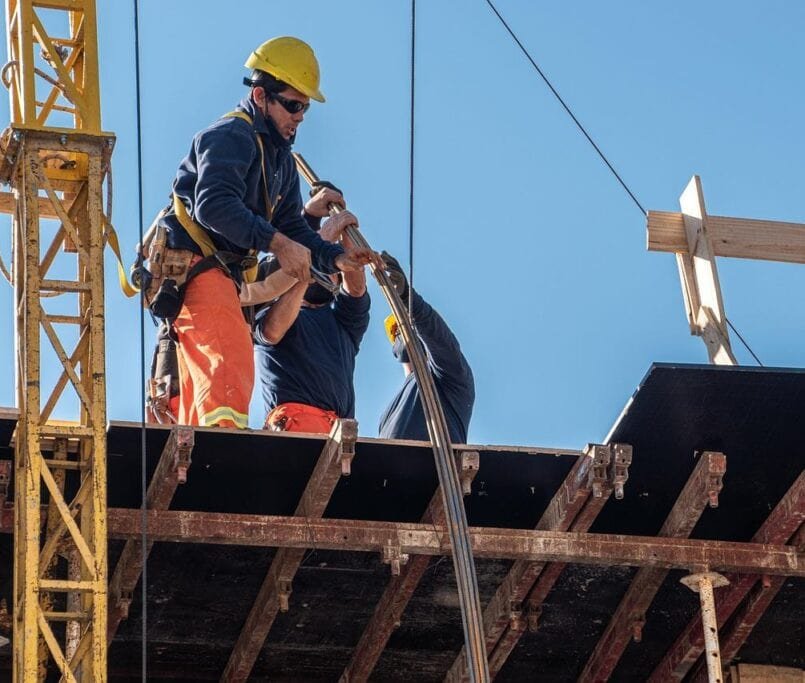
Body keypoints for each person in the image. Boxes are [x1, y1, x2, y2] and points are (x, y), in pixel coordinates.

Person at [156, 36, 376, 428]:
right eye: (292, 105)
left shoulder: (281, 162)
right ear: (260, 96)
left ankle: (200, 451)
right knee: (226, 362)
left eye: (304, 107)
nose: (299, 116)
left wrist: (336, 259)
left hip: (222, 273)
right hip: (196, 263)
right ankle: (219, 452)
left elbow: (293, 227)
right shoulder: (230, 136)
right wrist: (277, 243)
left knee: (213, 375)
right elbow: (214, 205)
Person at [254, 202, 370, 434]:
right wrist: (307, 273)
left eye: (330, 271)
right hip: (294, 424)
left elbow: (356, 289)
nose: (323, 274)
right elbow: (272, 332)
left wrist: (347, 233)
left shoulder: (343, 323)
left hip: (338, 431)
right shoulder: (272, 311)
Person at [378, 253, 475, 443]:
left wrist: (408, 298)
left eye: (405, 327)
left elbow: (439, 337)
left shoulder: (450, 376)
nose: (403, 335)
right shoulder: (390, 414)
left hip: (433, 469)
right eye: (398, 332)